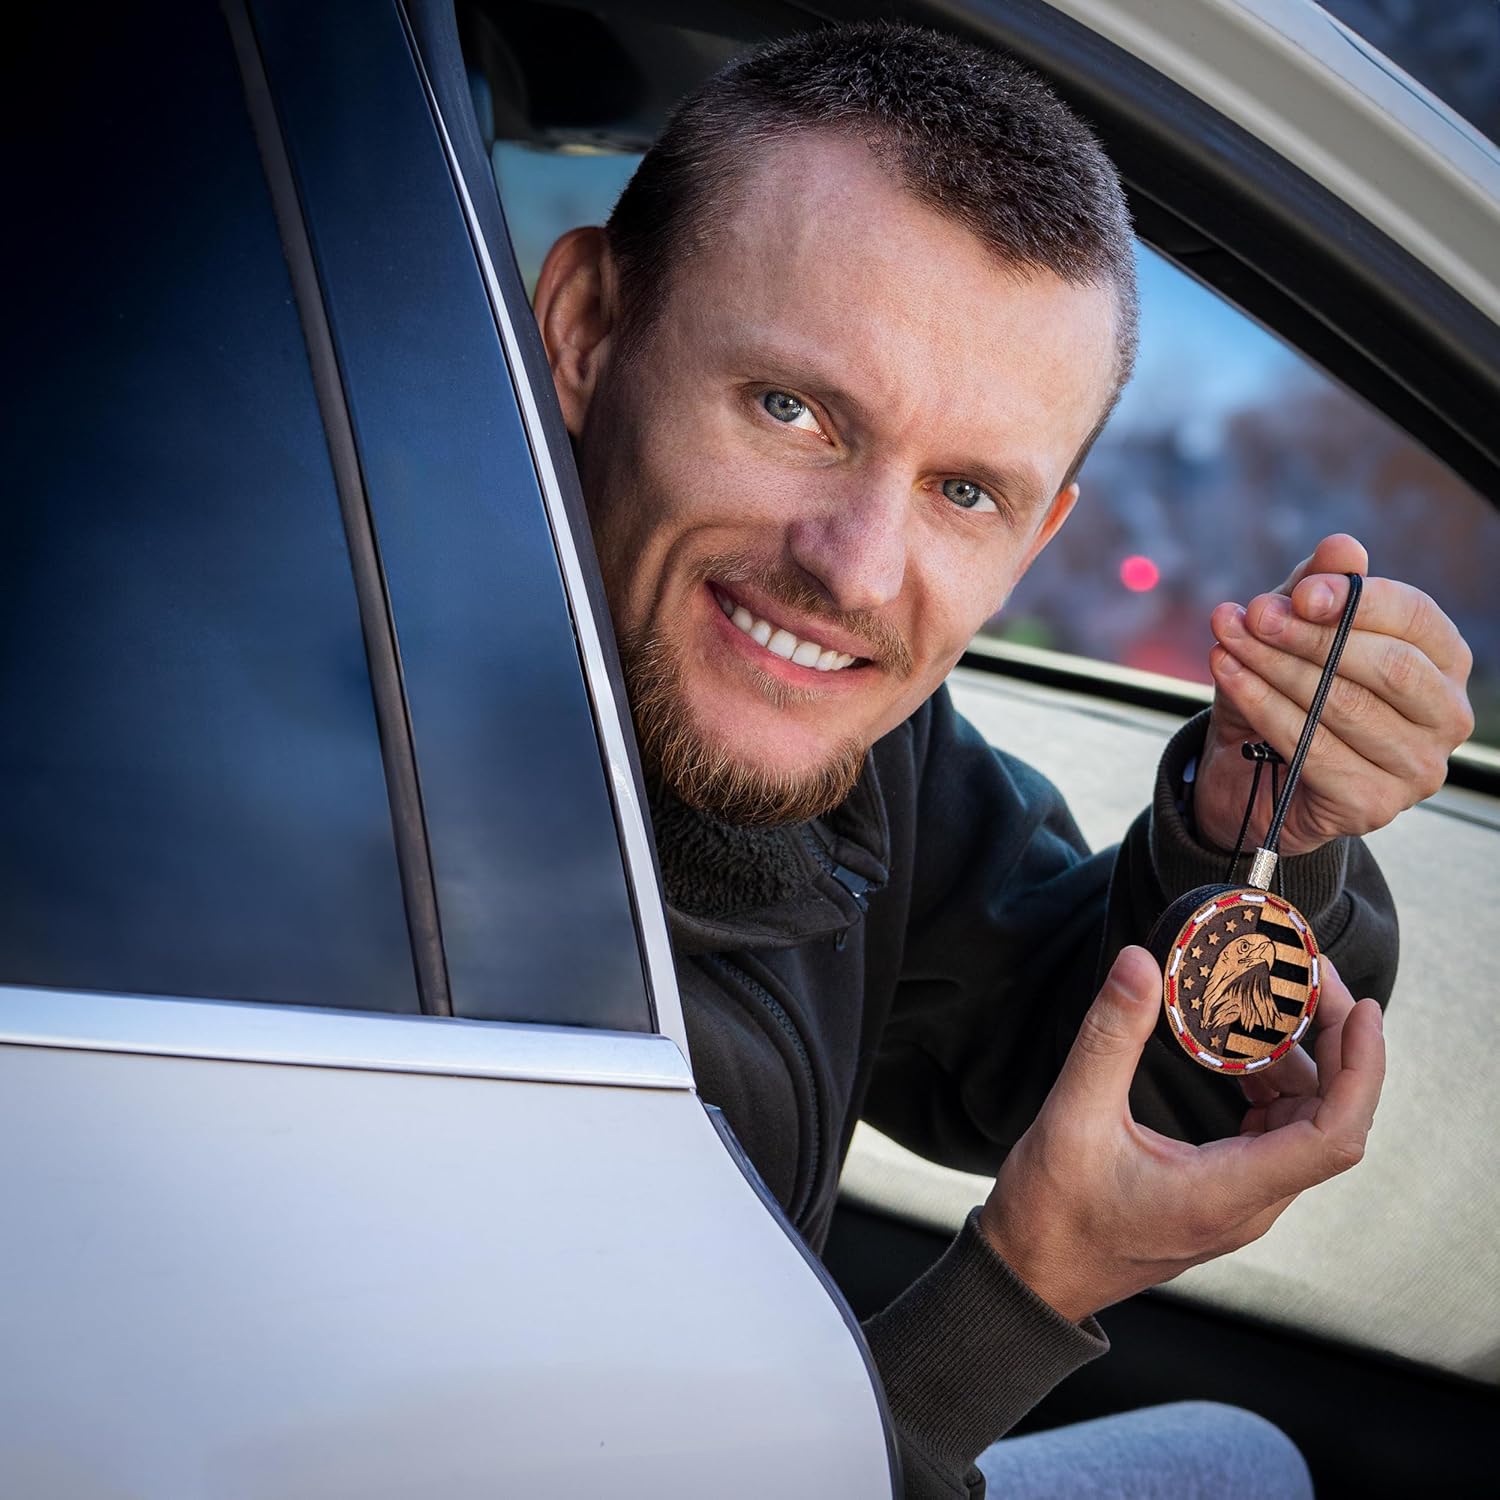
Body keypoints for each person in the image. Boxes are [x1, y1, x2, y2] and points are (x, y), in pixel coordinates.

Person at [529, 22, 1474, 1498]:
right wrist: (1018, 1296)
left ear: (1039, 537)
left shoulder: (850, 748)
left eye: (964, 491)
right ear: (585, 331)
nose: (855, 570)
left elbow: (1048, 1047)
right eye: (793, 410)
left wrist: (1248, 828)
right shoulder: (388, 841)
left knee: (1244, 1456)